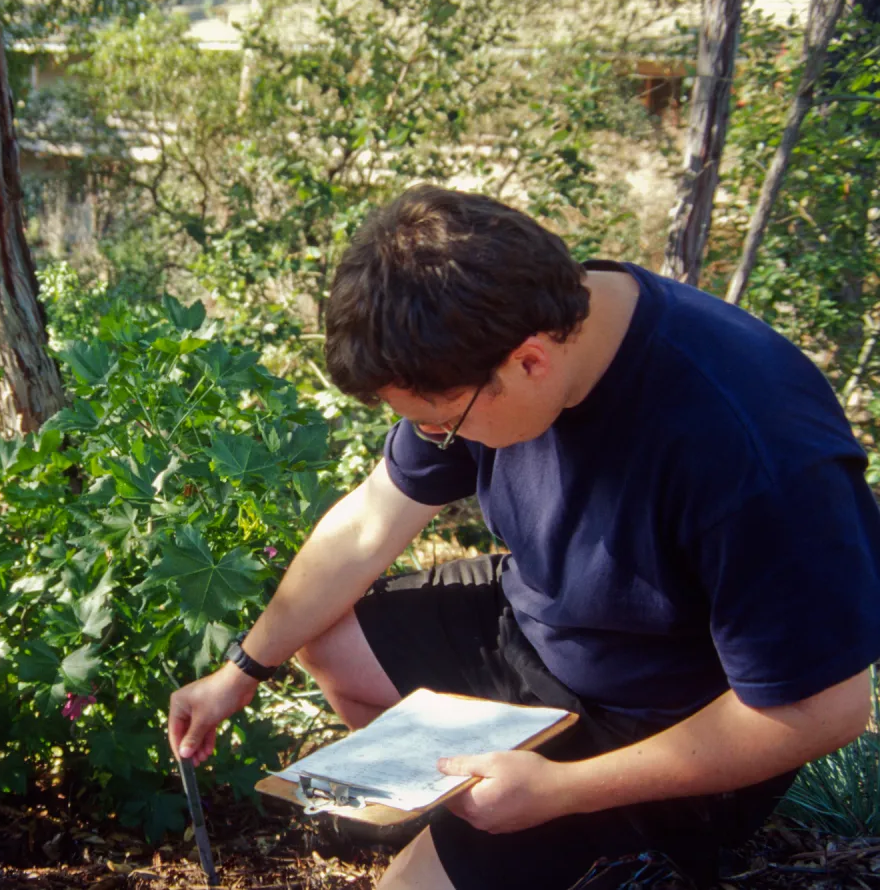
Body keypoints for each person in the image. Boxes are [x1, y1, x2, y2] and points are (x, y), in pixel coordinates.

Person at [166, 185, 880, 890]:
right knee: (331, 641)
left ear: (529, 361)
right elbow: (368, 522)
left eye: (443, 425)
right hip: (541, 625)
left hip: (663, 721)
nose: (434, 442)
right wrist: (243, 669)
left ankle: (613, 857)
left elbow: (822, 711)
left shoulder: (753, 447)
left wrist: (562, 789)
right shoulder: (497, 335)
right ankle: (480, 825)